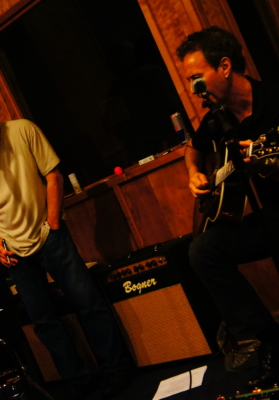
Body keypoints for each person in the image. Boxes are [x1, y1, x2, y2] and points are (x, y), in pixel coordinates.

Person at [0, 97, 132, 399]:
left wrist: (54, 223)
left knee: (86, 301)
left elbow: (53, 174)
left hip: (49, 235)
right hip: (13, 250)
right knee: (44, 321)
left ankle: (116, 369)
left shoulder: (23, 130)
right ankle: (78, 380)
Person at [176, 26, 279, 390]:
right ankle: (268, 340)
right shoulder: (217, 118)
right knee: (203, 250)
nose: (193, 87)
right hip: (267, 218)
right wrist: (194, 174)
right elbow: (193, 149)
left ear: (224, 66)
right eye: (189, 80)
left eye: (196, 77)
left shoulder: (273, 99)